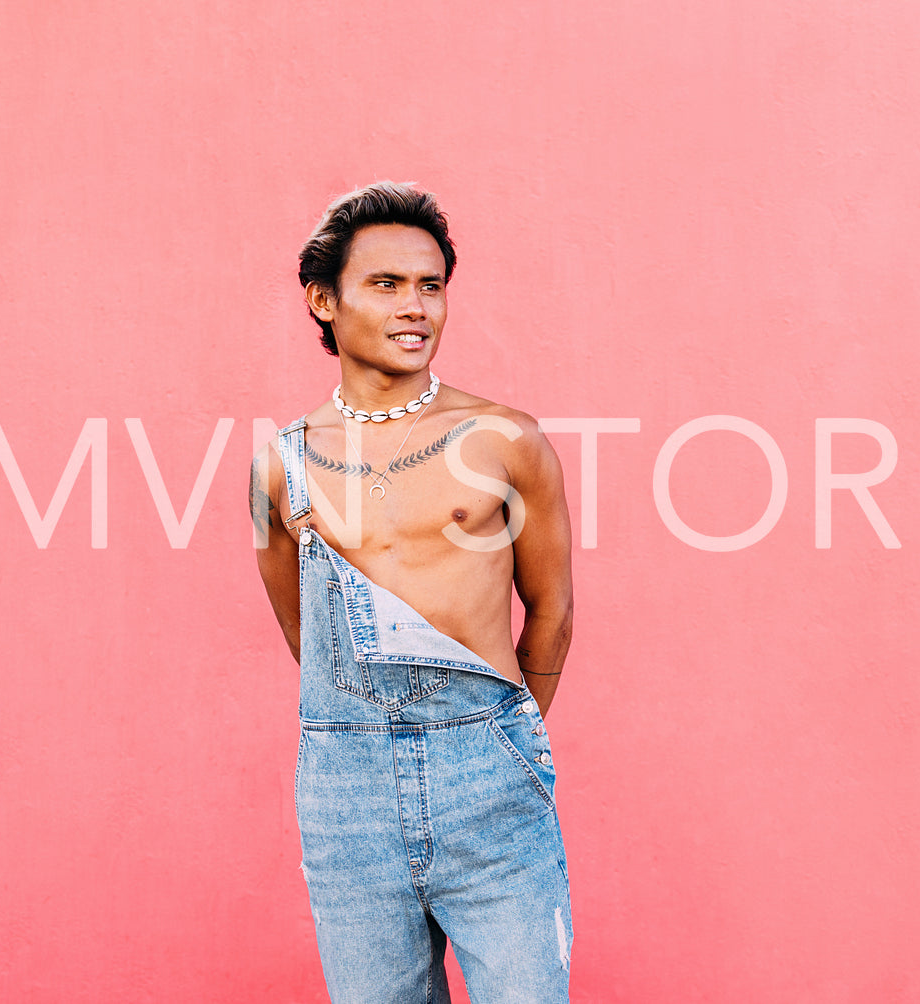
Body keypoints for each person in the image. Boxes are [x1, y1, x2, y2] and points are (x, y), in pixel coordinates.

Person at [249, 181, 575, 1002]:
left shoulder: (503, 440)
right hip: (343, 786)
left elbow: (553, 611)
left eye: (430, 286)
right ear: (323, 301)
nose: (415, 308)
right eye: (386, 285)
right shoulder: (279, 464)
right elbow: (307, 631)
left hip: (485, 769)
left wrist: (498, 740)